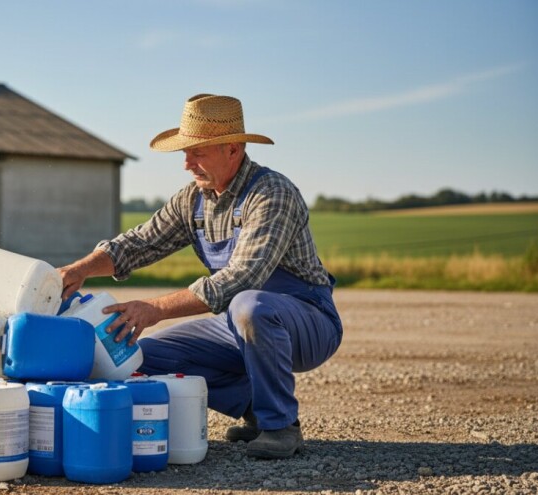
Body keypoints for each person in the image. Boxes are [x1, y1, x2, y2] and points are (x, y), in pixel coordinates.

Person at [57, 94, 343, 459]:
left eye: (198, 153)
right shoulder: (193, 200)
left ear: (234, 149)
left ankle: (280, 425)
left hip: (306, 320)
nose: (187, 164)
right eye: (185, 153)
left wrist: (154, 308)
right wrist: (78, 269)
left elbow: (244, 277)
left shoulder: (272, 194)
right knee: (139, 358)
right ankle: (255, 406)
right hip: (237, 320)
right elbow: (139, 243)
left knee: (249, 305)